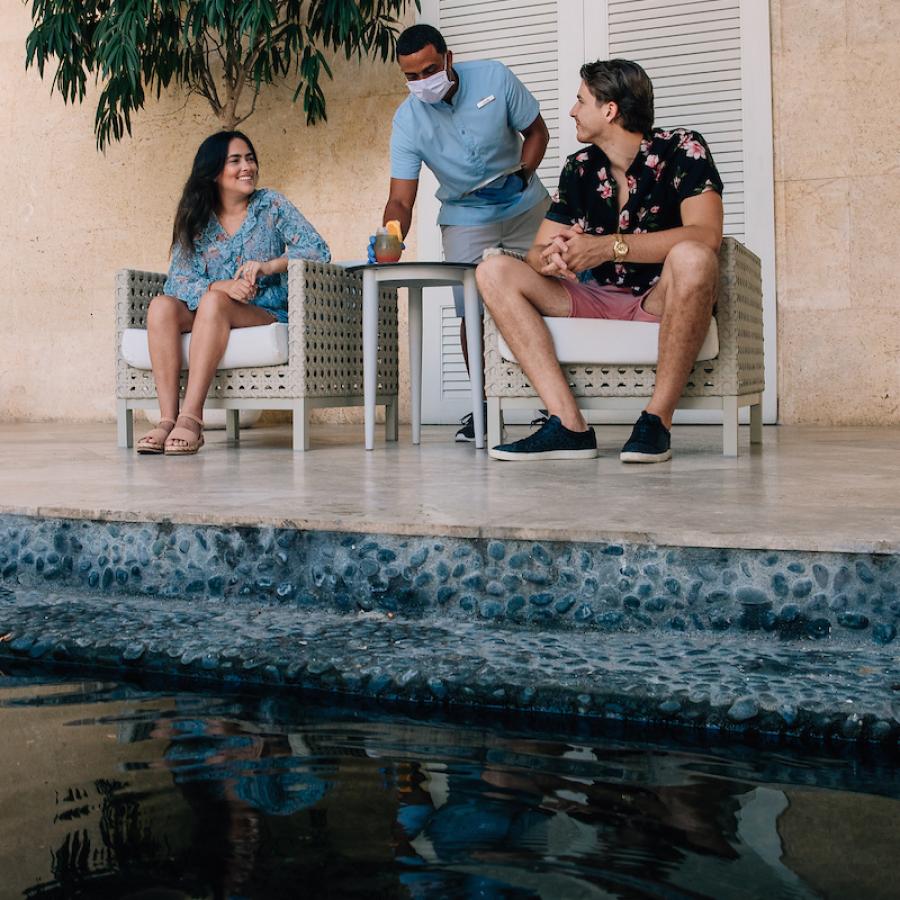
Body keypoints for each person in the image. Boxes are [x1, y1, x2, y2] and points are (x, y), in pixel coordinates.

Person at [476, 59, 724, 463]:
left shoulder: (683, 148)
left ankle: (656, 421)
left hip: (659, 299)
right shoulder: (580, 168)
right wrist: (551, 258)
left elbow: (706, 235)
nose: (572, 110)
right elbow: (536, 252)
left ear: (609, 110)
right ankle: (568, 425)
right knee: (493, 270)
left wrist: (608, 246)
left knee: (694, 258)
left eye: (580, 100)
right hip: (591, 298)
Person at [373, 23, 551, 442]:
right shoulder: (407, 122)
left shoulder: (495, 77)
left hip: (526, 204)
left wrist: (523, 175)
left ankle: (553, 407)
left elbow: (537, 132)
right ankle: (484, 404)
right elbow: (400, 200)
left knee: (554, 295)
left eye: (429, 70)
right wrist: (389, 240)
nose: (422, 83)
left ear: (448, 58)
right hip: (466, 216)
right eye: (411, 77)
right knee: (472, 310)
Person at [136, 130, 330, 455]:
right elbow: (178, 281)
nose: (247, 167)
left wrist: (269, 266)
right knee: (161, 306)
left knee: (213, 303)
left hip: (265, 310)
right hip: (215, 307)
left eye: (250, 159)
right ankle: (168, 420)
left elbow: (318, 250)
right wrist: (219, 286)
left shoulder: (271, 204)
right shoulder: (199, 218)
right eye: (236, 161)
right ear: (214, 172)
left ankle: (192, 419)